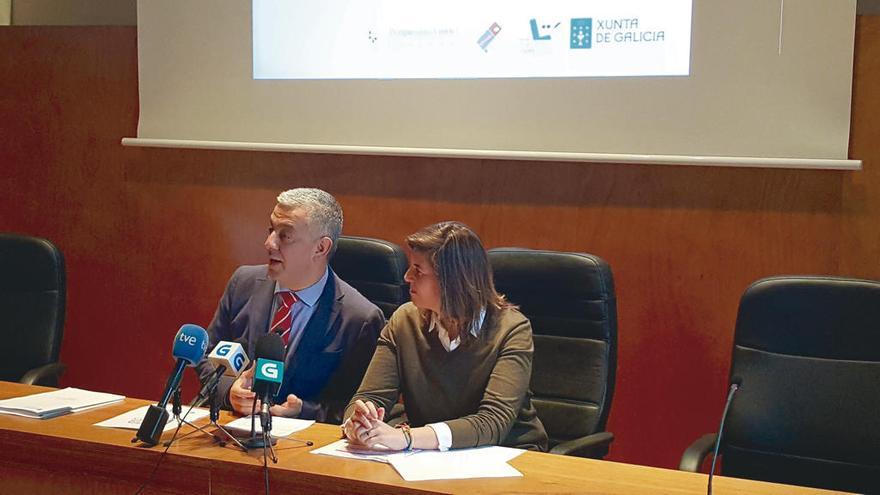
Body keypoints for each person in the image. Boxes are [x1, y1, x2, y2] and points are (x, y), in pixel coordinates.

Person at [342, 221, 547, 451]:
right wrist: (358, 422)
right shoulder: (404, 320)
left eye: (418, 270)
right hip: (429, 454)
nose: (407, 277)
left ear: (452, 280)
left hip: (508, 453)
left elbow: (493, 422)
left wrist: (408, 438)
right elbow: (372, 395)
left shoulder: (511, 329)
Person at [197, 188, 385, 424]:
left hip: (302, 449)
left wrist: (303, 411)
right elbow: (206, 355)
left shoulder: (360, 318)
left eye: (285, 236)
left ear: (320, 248)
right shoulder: (243, 283)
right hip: (230, 430)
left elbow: (354, 407)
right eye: (271, 230)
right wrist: (229, 391)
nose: (269, 243)